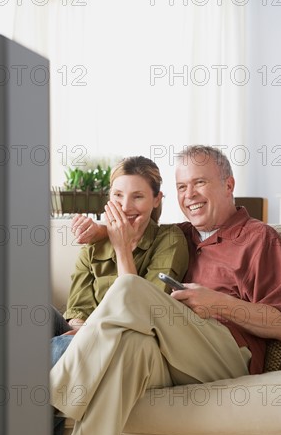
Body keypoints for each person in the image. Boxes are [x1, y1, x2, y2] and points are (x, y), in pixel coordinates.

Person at [24, 146, 281, 435]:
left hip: (226, 352)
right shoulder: (181, 235)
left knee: (131, 290)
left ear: (229, 185)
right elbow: (137, 229)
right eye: (182, 186)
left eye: (200, 183)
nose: (190, 195)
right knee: (129, 349)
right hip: (170, 353)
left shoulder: (260, 239)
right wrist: (101, 229)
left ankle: (37, 402)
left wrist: (217, 302)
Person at [50, 155, 189, 364]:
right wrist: (80, 331)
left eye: (138, 196)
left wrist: (122, 247)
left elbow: (141, 313)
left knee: (59, 347)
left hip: (126, 340)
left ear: (157, 199)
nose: (125, 207)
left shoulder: (170, 239)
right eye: (118, 195)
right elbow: (79, 309)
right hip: (85, 335)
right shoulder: (95, 242)